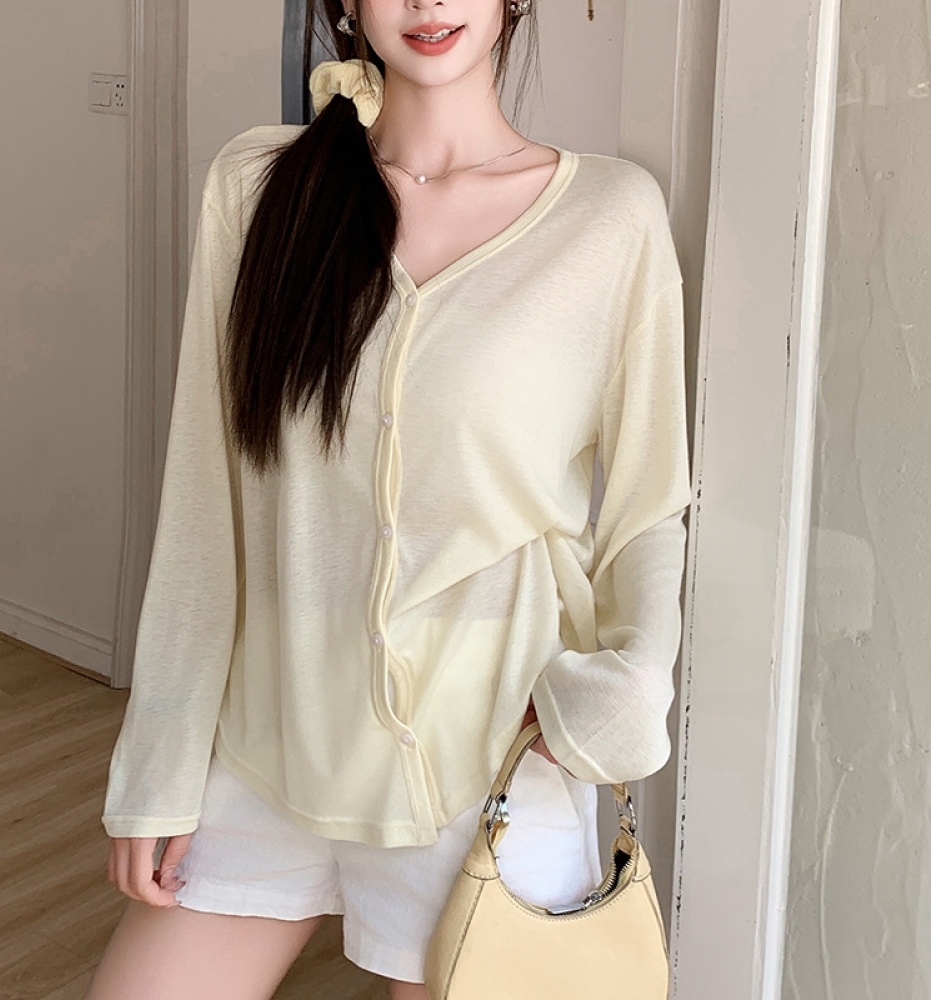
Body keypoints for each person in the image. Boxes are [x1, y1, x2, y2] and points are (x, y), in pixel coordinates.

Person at [85, 0, 692, 995]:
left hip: (490, 764)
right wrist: (160, 760)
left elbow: (646, 504)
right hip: (268, 745)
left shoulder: (610, 217)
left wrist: (627, 687)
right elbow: (205, 497)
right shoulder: (258, 187)